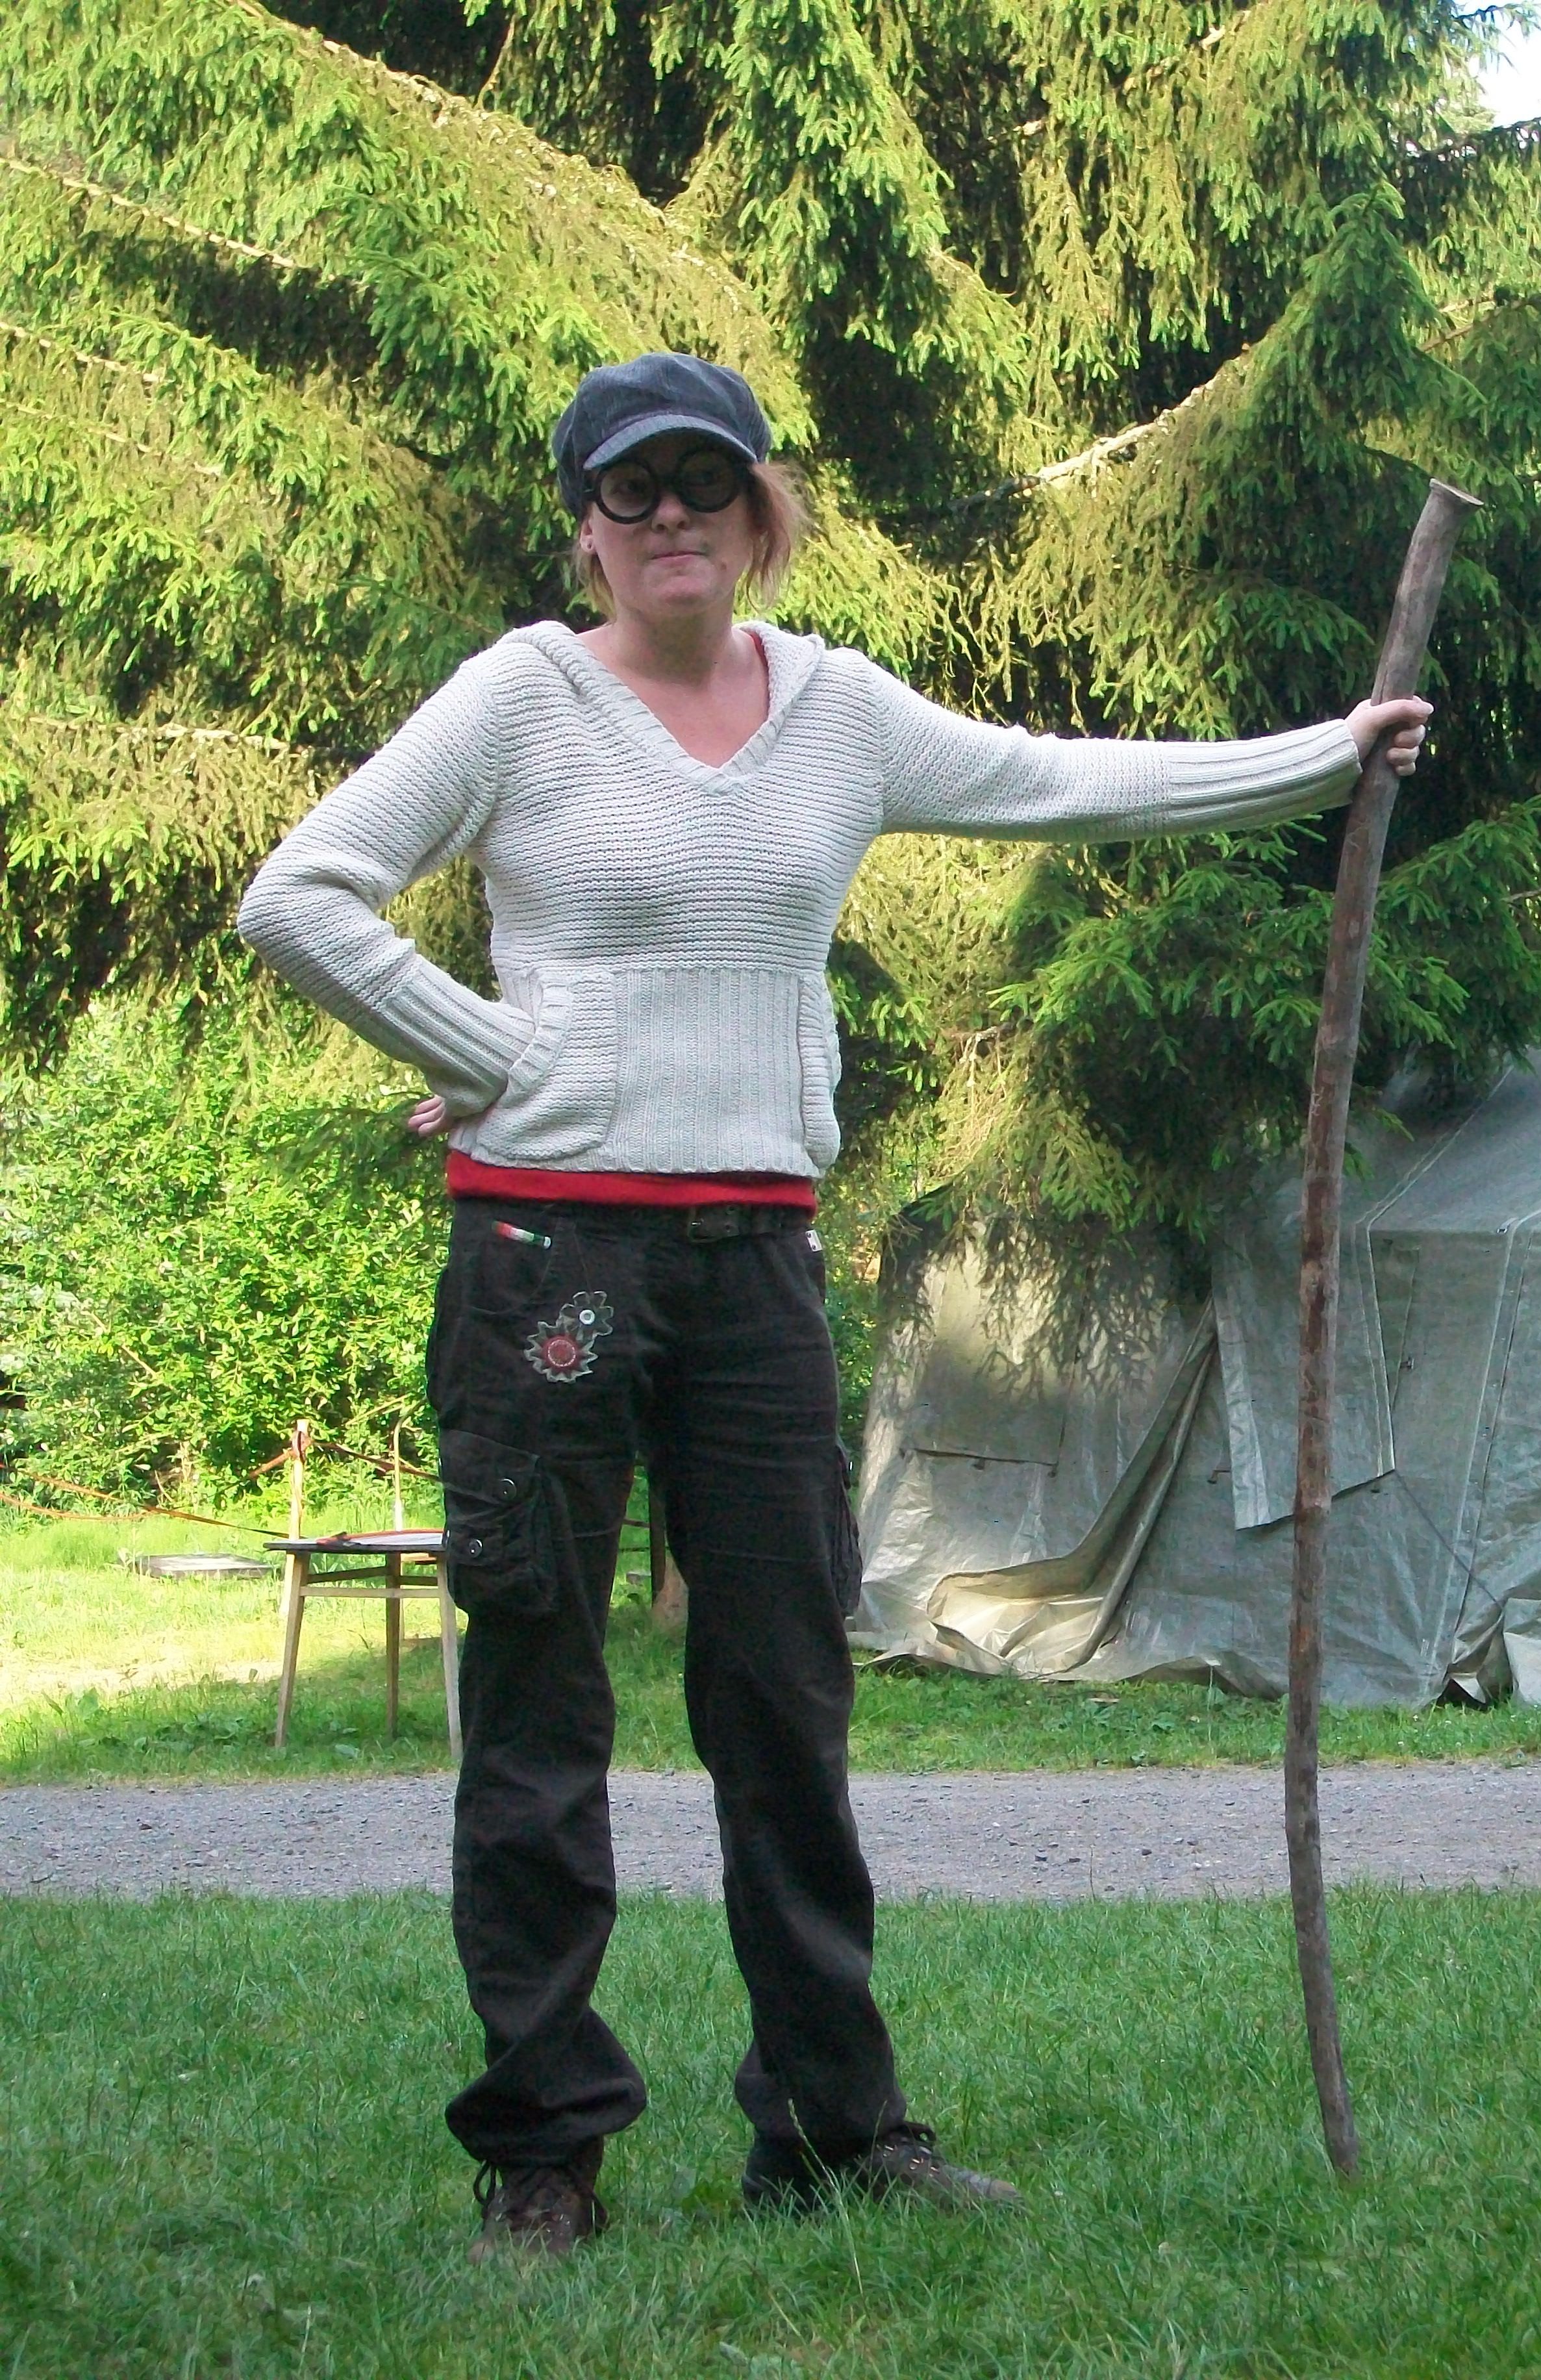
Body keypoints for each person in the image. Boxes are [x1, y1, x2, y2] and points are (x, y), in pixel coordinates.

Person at [238, 350, 1430, 2260]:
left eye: (704, 484)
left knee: (785, 1703)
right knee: (537, 1707)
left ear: (760, 511)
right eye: (630, 493)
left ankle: (831, 2128)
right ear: (585, 529)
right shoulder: (519, 700)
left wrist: (1325, 753)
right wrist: (494, 1056)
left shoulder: (839, 714)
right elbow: (302, 895)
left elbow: (1063, 782)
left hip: (755, 1270)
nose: (670, 520)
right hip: (545, 1264)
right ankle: (542, 2151)